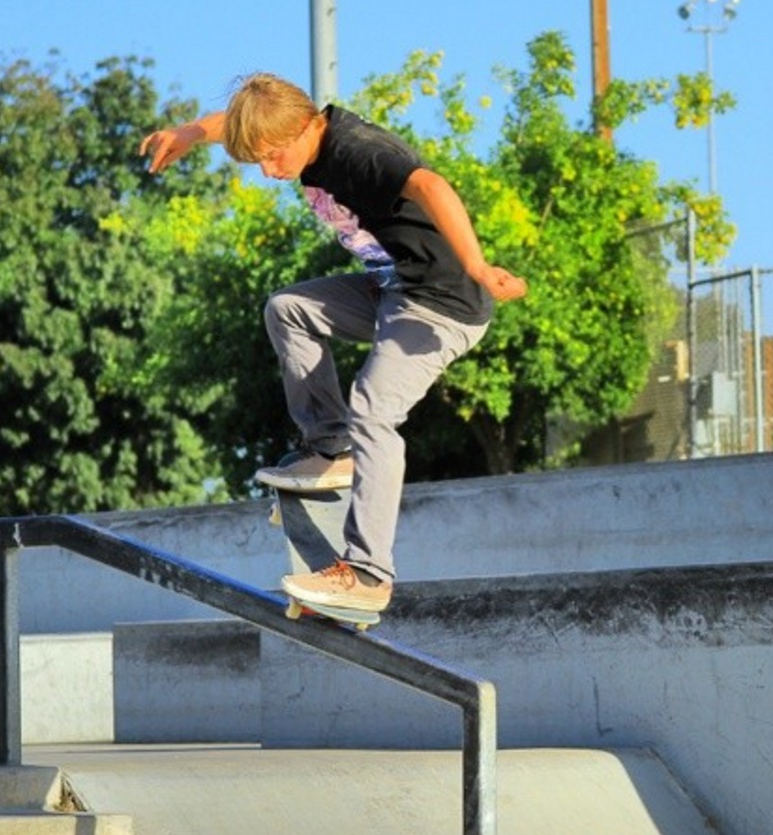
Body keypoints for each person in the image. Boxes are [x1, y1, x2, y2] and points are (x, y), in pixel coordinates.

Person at [140, 73, 527, 614]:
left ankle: (368, 573)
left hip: (442, 304)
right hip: (391, 288)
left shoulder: (358, 154)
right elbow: (233, 124)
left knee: (374, 407)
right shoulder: (295, 129)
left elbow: (432, 186)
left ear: (303, 129)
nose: (271, 172)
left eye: (274, 158)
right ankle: (330, 449)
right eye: (258, 162)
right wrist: (187, 134)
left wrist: (478, 265)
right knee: (288, 309)